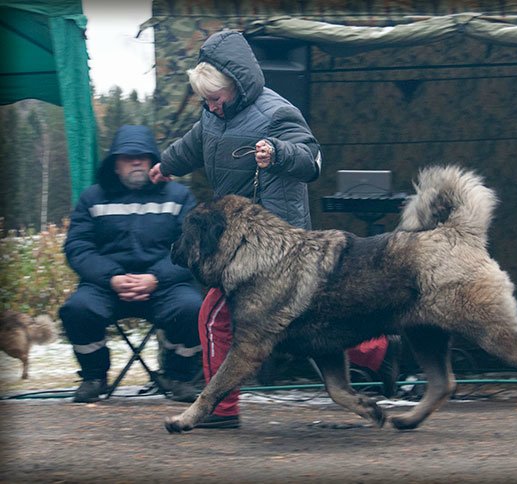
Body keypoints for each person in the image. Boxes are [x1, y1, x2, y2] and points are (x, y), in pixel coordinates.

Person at [149, 30, 397, 429]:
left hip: (277, 242)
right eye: (206, 101)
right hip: (237, 242)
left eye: (216, 98)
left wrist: (279, 153)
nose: (211, 107)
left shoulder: (277, 112)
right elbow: (195, 145)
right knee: (313, 321)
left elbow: (312, 161)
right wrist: (167, 165)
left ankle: (220, 410)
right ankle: (375, 348)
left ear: (237, 84)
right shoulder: (213, 115)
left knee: (216, 319)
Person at [60, 125, 203, 403]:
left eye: (143, 156)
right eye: (127, 156)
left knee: (194, 309)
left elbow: (194, 248)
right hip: (106, 286)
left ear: (153, 161)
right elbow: (77, 247)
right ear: (115, 164)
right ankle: (94, 377)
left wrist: (157, 278)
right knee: (76, 309)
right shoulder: (92, 198)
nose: (136, 161)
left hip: (165, 285)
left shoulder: (179, 197)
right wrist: (111, 278)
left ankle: (179, 376)